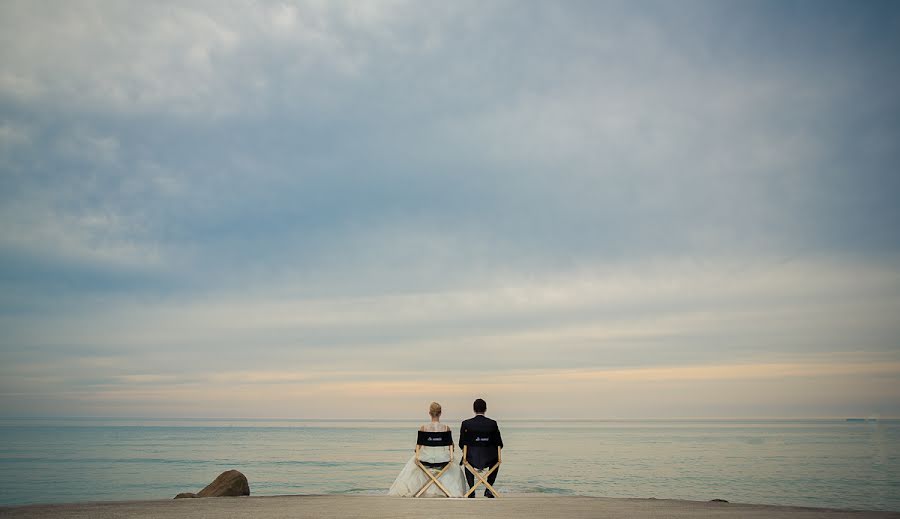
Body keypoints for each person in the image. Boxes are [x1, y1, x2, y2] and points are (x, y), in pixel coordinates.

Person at [388, 402, 468, 497]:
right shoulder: (446, 428)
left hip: (425, 460)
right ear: (440, 413)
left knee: (414, 461)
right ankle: (446, 491)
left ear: (429, 413)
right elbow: (452, 448)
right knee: (454, 464)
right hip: (443, 460)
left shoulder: (424, 428)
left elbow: (417, 448)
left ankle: (418, 490)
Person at [459, 398, 503, 497]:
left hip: (472, 458)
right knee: (496, 460)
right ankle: (488, 489)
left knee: (466, 459)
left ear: (474, 409)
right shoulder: (492, 424)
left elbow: (461, 444)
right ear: (485, 409)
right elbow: (499, 444)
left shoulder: (466, 424)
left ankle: (472, 489)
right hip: (489, 459)